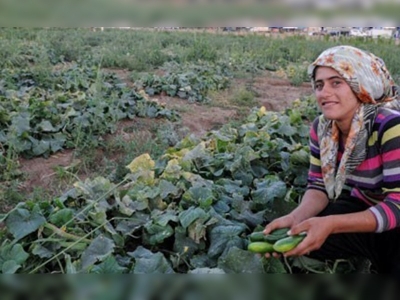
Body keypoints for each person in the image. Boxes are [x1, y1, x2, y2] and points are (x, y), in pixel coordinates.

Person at [263, 45, 400, 274]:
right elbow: (318, 187)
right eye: (319, 85)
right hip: (366, 204)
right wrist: (295, 217)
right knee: (303, 238)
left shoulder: (390, 126)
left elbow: (397, 205)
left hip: (395, 211)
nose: (324, 92)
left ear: (360, 86)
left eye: (336, 82)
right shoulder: (322, 128)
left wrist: (332, 225)